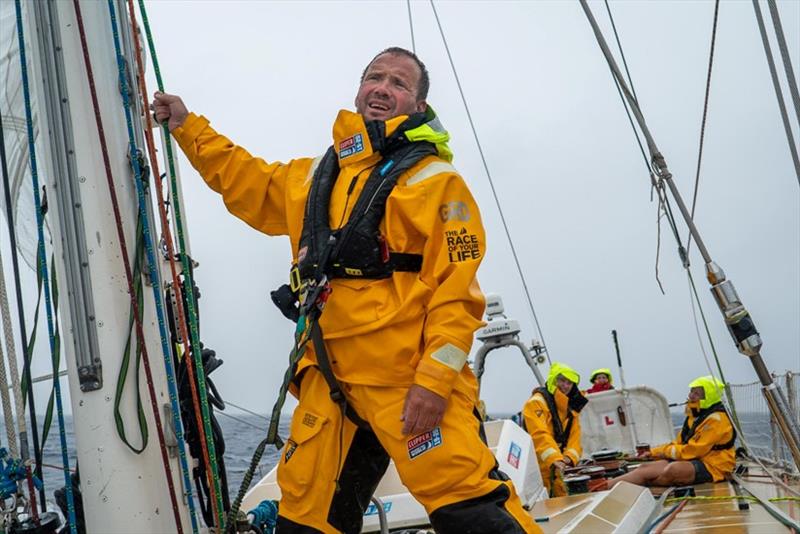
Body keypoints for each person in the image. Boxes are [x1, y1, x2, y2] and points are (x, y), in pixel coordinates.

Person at [153, 47, 538, 534]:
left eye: (399, 83)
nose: (382, 87)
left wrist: (434, 382)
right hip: (327, 379)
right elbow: (245, 180)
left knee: (470, 508)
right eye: (374, 77)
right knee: (305, 520)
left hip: (405, 380)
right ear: (358, 91)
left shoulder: (437, 183)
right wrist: (188, 127)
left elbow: (457, 293)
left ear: (417, 106)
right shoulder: (315, 176)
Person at [608, 375, 736, 488]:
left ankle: (646, 484)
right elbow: (679, 443)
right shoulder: (695, 415)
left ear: (708, 397)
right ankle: (601, 486)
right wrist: (652, 453)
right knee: (645, 468)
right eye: (692, 391)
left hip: (714, 466)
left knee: (673, 470)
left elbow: (692, 451)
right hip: (691, 460)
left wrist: (664, 452)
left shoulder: (717, 420)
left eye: (697, 393)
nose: (691, 395)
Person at [521, 363, 588, 497]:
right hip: (538, 468)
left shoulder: (571, 406)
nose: (565, 385)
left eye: (569, 382)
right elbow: (539, 434)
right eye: (562, 380)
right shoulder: (536, 403)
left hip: (560, 467)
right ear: (553, 380)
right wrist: (554, 458)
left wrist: (569, 457)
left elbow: (576, 436)